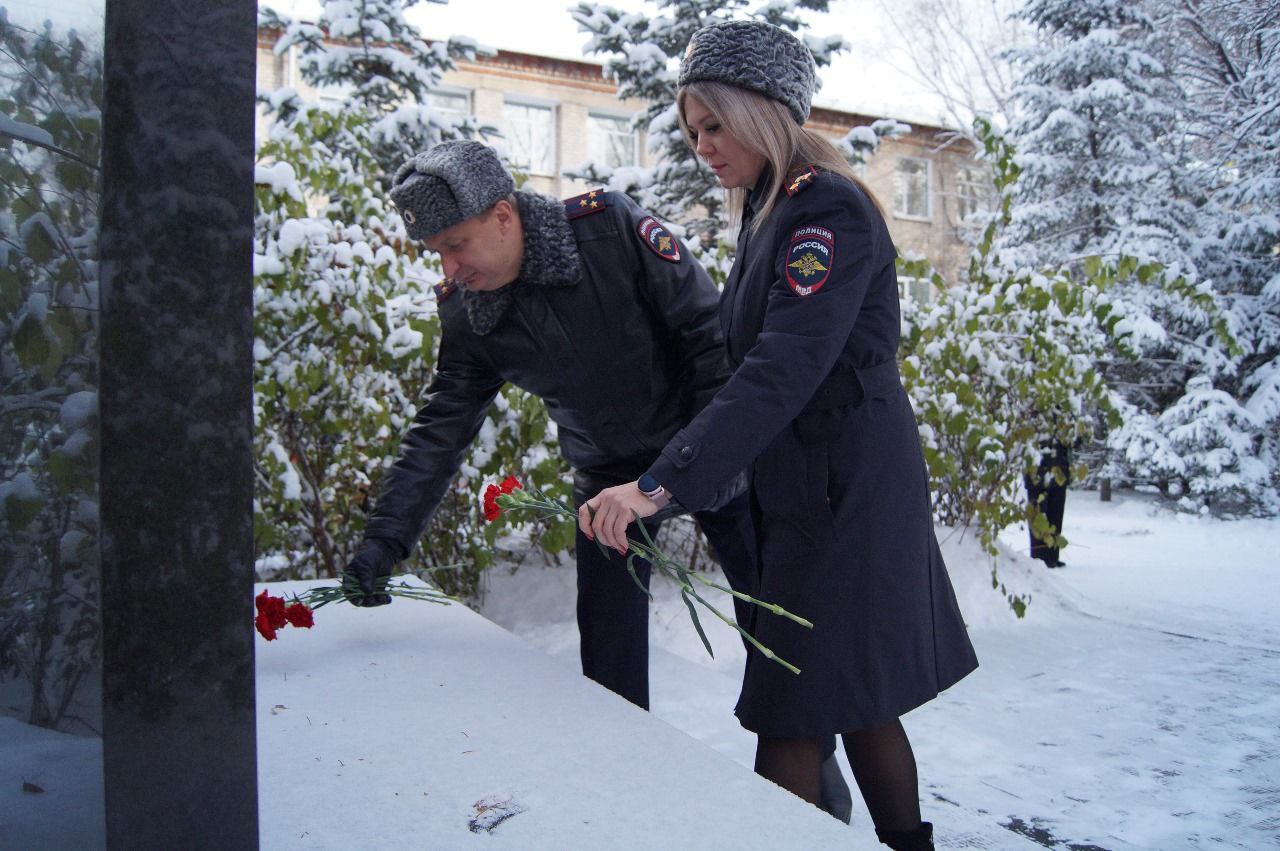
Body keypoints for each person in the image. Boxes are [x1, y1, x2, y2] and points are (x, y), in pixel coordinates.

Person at [338, 140, 853, 817]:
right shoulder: (471, 311)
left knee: (775, 629)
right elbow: (441, 431)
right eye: (437, 252)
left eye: (456, 244)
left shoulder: (607, 229)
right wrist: (382, 542)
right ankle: (626, 804)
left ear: (503, 215)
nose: (450, 267)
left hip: (708, 444)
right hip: (608, 481)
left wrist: (708, 468)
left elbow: (710, 339)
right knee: (609, 664)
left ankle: (811, 784)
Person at [579, 21, 978, 851]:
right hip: (811, 494)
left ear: (761, 112)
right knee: (853, 697)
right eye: (692, 130)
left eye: (714, 124)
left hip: (844, 498)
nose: (702, 146)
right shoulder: (771, 211)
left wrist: (660, 483)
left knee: (793, 705)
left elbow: (781, 370)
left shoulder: (823, 211)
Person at [1025, 437, 1070, 567]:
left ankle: (1052, 557)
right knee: (1038, 518)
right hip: (1037, 474)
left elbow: (1073, 441)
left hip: (1059, 472)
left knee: (1056, 516)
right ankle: (1039, 558)